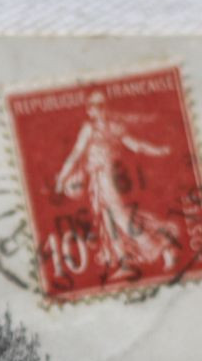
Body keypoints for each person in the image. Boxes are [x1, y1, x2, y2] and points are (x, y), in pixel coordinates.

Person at [55, 91, 181, 271]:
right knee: (107, 220)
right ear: (89, 110)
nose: (98, 110)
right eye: (94, 106)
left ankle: (163, 248)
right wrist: (62, 177)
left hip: (106, 176)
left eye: (101, 105)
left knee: (121, 218)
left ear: (106, 108)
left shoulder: (114, 128)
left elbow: (137, 145)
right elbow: (76, 154)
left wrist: (159, 151)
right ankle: (123, 261)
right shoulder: (89, 128)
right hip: (96, 179)